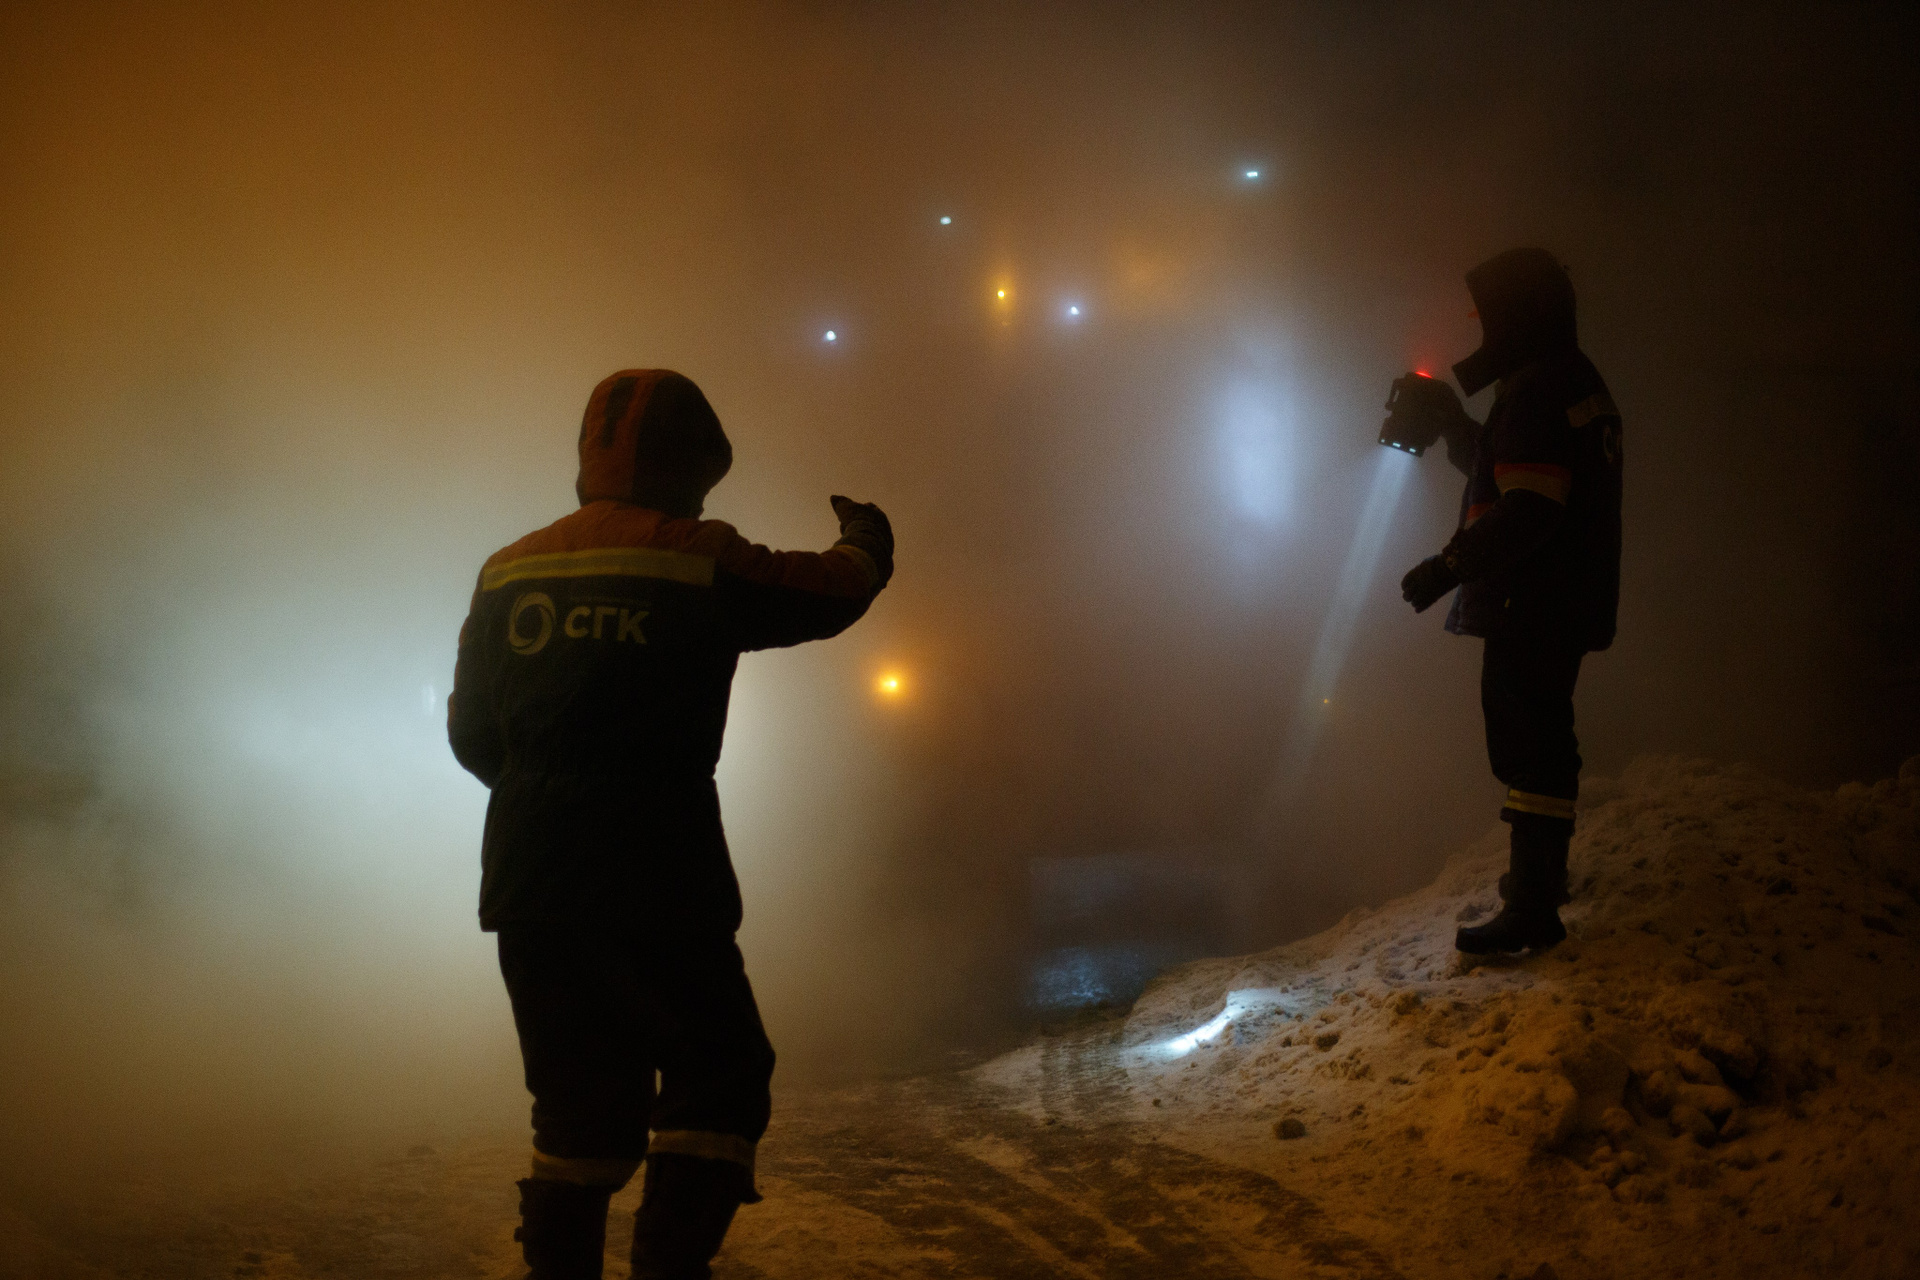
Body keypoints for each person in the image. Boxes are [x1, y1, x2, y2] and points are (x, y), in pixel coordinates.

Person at [447, 369, 894, 1279]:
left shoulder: (508, 569)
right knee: (718, 1075)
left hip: (529, 880)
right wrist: (868, 537)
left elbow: (471, 737)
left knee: (577, 1109)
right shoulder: (697, 556)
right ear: (691, 464)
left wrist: (547, 797)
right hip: (659, 870)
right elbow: (829, 591)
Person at [1396, 248, 1623, 956]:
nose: (1482, 327)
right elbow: (1514, 467)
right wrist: (1454, 423)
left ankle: (1531, 908)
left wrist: (1446, 568)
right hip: (1560, 596)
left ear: (1519, 313)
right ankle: (1539, 882)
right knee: (1540, 737)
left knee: (1530, 744)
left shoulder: (1535, 390)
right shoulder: (1570, 380)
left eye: (1487, 313)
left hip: (1533, 598)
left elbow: (1528, 506)